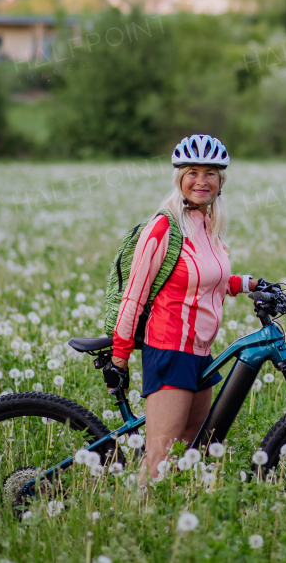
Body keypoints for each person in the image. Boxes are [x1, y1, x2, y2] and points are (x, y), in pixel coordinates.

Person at [109, 134, 257, 480]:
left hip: (200, 353)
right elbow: (134, 294)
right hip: (169, 350)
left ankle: (176, 522)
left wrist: (249, 284)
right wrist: (120, 356)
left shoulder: (207, 225)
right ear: (179, 178)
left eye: (210, 173)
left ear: (221, 181)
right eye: (192, 172)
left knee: (194, 450)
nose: (201, 181)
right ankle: (136, 521)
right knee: (159, 457)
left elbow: (210, 279)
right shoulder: (163, 227)